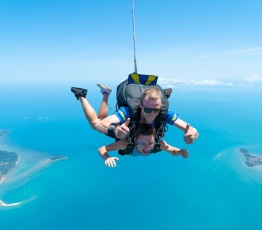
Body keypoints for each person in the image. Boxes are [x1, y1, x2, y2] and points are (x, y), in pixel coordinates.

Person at [71, 85, 198, 144]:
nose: (152, 114)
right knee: (94, 123)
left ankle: (105, 93)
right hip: (125, 130)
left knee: (100, 118)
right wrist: (115, 130)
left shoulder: (165, 114)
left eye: (156, 110)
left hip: (135, 133)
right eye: (148, 109)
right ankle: (81, 95)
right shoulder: (129, 111)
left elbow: (191, 129)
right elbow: (101, 124)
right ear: (140, 104)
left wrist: (192, 135)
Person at [98, 123, 188, 167]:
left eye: (150, 143)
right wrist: (107, 157)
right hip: (119, 132)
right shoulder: (125, 143)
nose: (147, 148)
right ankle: (105, 94)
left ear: (154, 140)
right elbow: (102, 149)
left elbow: (172, 150)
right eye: (142, 143)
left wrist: (180, 152)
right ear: (135, 140)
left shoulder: (158, 144)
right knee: (97, 122)